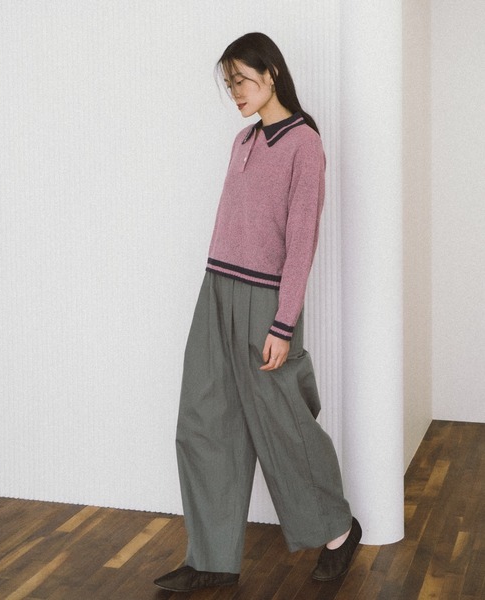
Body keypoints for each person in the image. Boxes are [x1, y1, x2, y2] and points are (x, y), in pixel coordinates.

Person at [154, 32, 361, 593]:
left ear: (271, 74)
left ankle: (339, 530)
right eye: (230, 84)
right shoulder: (242, 140)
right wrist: (215, 292)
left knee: (283, 426)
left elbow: (301, 241)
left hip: (265, 300)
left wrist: (282, 322)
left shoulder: (304, 144)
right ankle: (211, 558)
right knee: (203, 420)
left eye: (242, 79)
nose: (236, 92)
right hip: (216, 288)